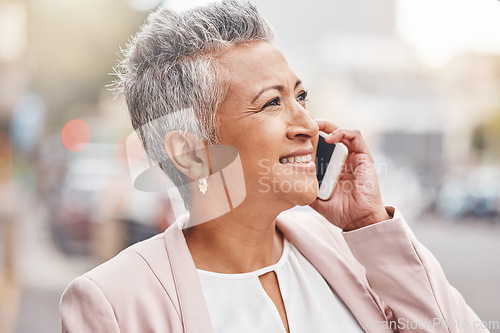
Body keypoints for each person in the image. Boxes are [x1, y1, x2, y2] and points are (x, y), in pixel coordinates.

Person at [60, 1, 488, 332]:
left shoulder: (355, 249)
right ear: (189, 153)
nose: (307, 123)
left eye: (300, 97)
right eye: (271, 103)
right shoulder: (114, 303)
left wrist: (368, 224)